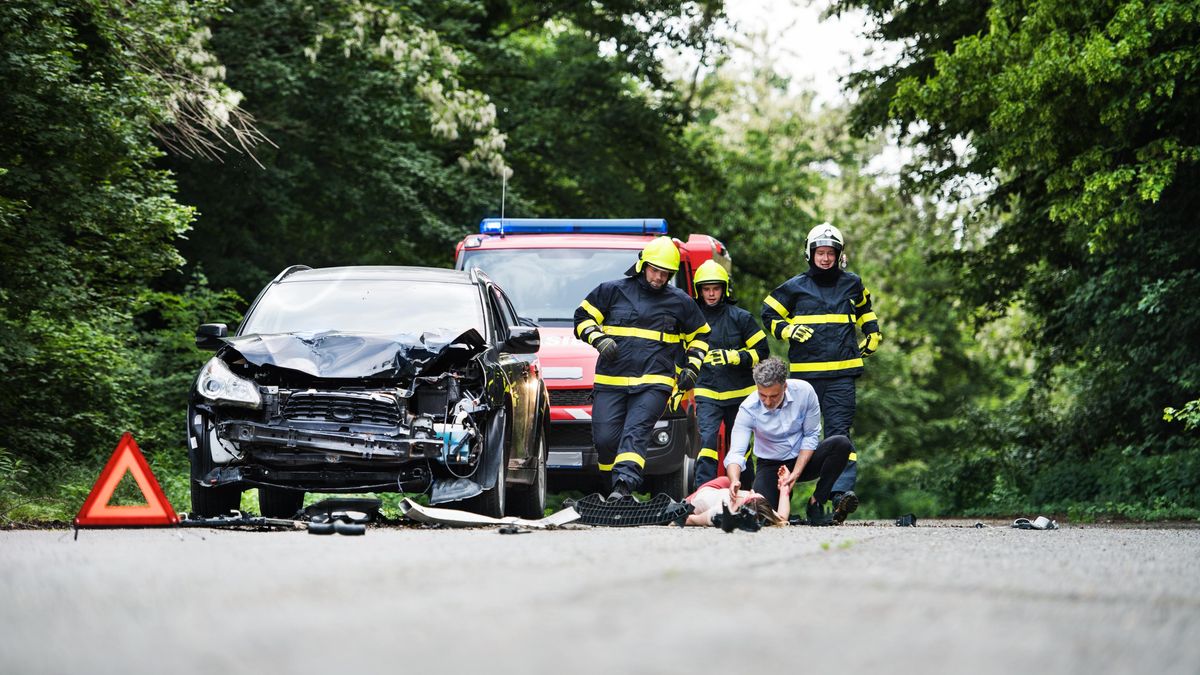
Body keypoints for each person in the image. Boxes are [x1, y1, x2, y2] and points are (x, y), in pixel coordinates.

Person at [573, 236, 710, 501]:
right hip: (611, 381)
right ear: (643, 265)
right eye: (655, 270)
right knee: (605, 441)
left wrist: (692, 367)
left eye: (665, 274)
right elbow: (582, 318)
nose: (659, 278)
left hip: (655, 383)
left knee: (636, 432)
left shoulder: (681, 301)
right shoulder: (611, 291)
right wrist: (599, 339)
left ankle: (623, 485)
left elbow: (700, 335)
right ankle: (610, 487)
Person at [760, 223, 880, 524]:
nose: (825, 258)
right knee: (797, 437)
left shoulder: (852, 283)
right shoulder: (794, 286)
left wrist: (872, 331)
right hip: (805, 379)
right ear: (810, 254)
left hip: (842, 374)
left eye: (831, 253)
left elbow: (865, 308)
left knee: (840, 435)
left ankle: (837, 495)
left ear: (839, 255)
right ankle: (775, 497)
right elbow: (768, 313)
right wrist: (787, 330)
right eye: (820, 253)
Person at [724, 357, 853, 526]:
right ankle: (784, 505)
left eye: (774, 396)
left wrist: (795, 474)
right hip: (771, 466)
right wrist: (734, 479)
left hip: (804, 459)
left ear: (785, 386)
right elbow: (736, 453)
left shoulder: (805, 392)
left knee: (842, 444)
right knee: (762, 516)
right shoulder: (748, 409)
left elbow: (811, 435)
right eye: (763, 395)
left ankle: (817, 502)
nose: (768, 402)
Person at [690, 260, 769, 491]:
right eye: (706, 289)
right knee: (706, 443)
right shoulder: (692, 319)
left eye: (716, 288)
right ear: (699, 291)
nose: (711, 293)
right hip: (707, 392)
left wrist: (736, 357)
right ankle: (703, 495)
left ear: (725, 289)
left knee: (741, 446)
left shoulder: (741, 318)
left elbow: (763, 351)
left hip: (740, 395)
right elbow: (679, 353)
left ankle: (746, 495)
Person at [684, 470, 790, 528]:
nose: (751, 491)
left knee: (686, 505)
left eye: (749, 494)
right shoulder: (759, 504)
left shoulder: (720, 512)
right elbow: (782, 518)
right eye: (751, 493)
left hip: (701, 496)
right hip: (723, 485)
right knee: (727, 480)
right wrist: (784, 486)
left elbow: (691, 519)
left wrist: (673, 520)